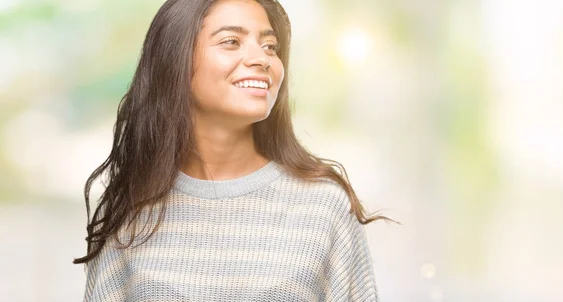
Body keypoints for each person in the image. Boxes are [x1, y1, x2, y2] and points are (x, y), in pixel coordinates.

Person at [73, 0, 395, 301]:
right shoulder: (129, 212)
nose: (262, 59)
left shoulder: (324, 208)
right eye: (231, 41)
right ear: (176, 59)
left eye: (270, 46)